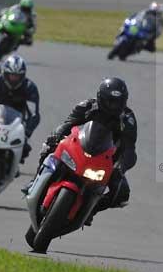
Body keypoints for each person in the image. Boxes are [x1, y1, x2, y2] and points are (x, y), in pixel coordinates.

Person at [28, 77, 137, 223]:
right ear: (101, 97)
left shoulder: (128, 119)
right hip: (79, 149)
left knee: (122, 193)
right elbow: (68, 124)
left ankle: (92, 209)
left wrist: (121, 167)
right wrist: (55, 136)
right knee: (49, 148)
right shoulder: (88, 106)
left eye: (117, 102)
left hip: (107, 161)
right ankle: (35, 180)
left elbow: (130, 149)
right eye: (110, 101)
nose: (113, 106)